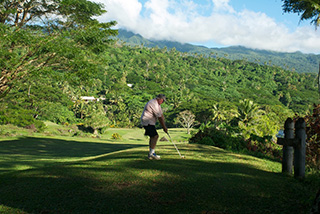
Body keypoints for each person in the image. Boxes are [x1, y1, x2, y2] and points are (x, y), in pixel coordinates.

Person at [141, 94, 168, 160]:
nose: (162, 102)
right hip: (147, 122)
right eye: (162, 100)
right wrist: (164, 127)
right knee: (155, 136)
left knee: (153, 136)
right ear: (159, 99)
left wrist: (165, 126)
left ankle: (151, 153)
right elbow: (159, 118)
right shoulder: (153, 103)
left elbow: (161, 115)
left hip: (150, 122)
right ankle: (151, 153)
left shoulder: (157, 105)